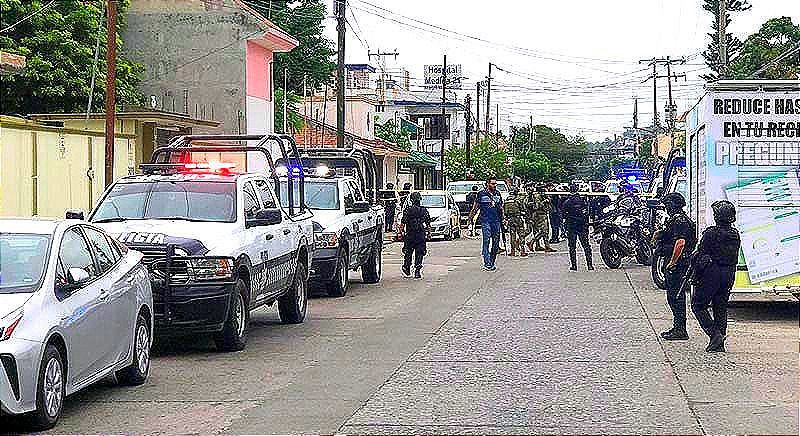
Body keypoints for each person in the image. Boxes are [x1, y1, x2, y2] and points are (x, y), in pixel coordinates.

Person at [690, 200, 741, 352]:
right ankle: (719, 343)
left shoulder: (711, 233)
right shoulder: (735, 234)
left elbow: (701, 255)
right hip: (729, 273)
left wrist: (695, 275)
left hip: (712, 273)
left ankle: (714, 335)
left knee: (698, 305)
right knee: (720, 307)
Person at [655, 192, 697, 341]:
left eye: (667, 205)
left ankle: (680, 329)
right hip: (677, 263)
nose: (666, 208)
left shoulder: (679, 221)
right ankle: (677, 327)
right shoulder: (677, 219)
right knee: (673, 296)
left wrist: (672, 262)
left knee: (676, 296)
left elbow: (680, 243)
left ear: (672, 205)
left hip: (678, 264)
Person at [468, 178, 504, 271]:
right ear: (487, 184)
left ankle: (492, 262)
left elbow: (501, 208)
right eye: (492, 184)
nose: (494, 185)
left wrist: (504, 219)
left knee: (496, 243)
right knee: (486, 240)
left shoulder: (498, 194)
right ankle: (487, 263)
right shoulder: (481, 194)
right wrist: (470, 218)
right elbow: (475, 207)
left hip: (496, 221)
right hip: (485, 220)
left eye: (495, 184)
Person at [561, 183, 594, 271]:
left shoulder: (567, 202)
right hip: (582, 225)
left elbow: (563, 215)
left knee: (572, 247)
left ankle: (574, 265)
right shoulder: (582, 201)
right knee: (586, 246)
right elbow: (587, 213)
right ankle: (590, 265)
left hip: (571, 226)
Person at [398, 192, 431, 279]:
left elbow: (403, 222)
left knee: (408, 252)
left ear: (411, 200)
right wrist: (429, 234)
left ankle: (407, 267)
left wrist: (400, 233)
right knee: (420, 253)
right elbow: (428, 224)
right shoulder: (424, 210)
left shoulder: (408, 210)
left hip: (410, 235)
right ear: (420, 199)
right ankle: (417, 270)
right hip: (421, 235)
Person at [526, 184, 556, 252]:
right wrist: (544, 201)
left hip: (541, 214)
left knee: (544, 232)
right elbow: (536, 206)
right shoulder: (537, 196)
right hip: (540, 215)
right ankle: (531, 242)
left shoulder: (540, 195)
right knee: (544, 231)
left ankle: (545, 246)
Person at [503, 186, 529, 257]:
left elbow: (504, 211)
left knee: (512, 236)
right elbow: (523, 209)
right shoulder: (517, 200)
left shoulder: (506, 200)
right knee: (521, 235)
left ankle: (512, 251)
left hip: (510, 219)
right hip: (518, 219)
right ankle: (523, 251)